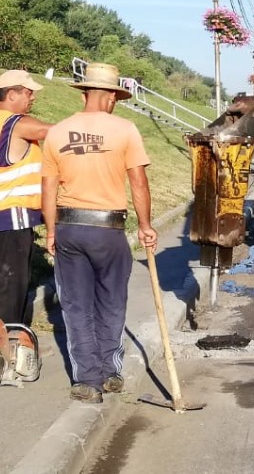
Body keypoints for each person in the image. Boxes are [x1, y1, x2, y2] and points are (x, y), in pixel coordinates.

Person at [40, 63, 158, 404]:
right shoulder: (125, 130)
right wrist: (146, 226)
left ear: (85, 92)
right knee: (111, 301)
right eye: (115, 98)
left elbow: (48, 188)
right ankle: (109, 371)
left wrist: (51, 231)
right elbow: (138, 182)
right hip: (108, 231)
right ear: (108, 96)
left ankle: (87, 381)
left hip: (69, 228)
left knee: (76, 306)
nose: (115, 104)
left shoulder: (58, 131)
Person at [0, 70, 50, 326]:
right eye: (29, 93)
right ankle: (12, 347)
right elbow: (54, 132)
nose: (33, 98)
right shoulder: (16, 123)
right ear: (11, 94)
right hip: (12, 216)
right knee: (12, 285)